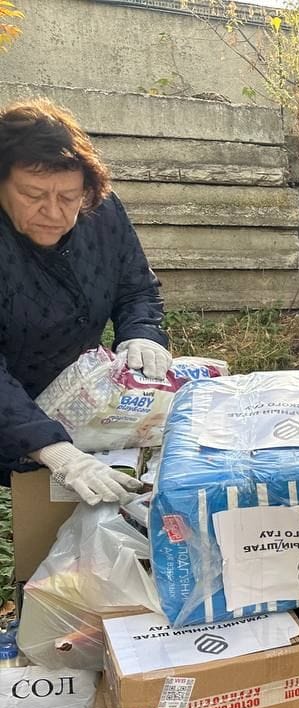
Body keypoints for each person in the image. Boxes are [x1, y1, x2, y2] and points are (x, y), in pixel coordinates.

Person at [0, 99, 172, 503]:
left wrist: (142, 333)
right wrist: (53, 449)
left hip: (75, 401)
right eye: (33, 194)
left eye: (69, 197)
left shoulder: (101, 210)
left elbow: (136, 287)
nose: (53, 212)